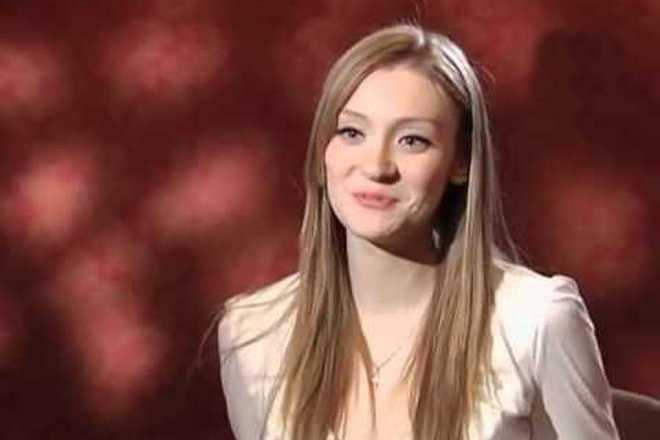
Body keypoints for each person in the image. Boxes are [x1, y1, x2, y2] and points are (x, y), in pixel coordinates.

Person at [216, 22, 620, 440]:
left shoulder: (537, 321)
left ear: (460, 161)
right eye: (352, 133)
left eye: (412, 141)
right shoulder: (251, 333)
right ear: (322, 150)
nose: (376, 167)